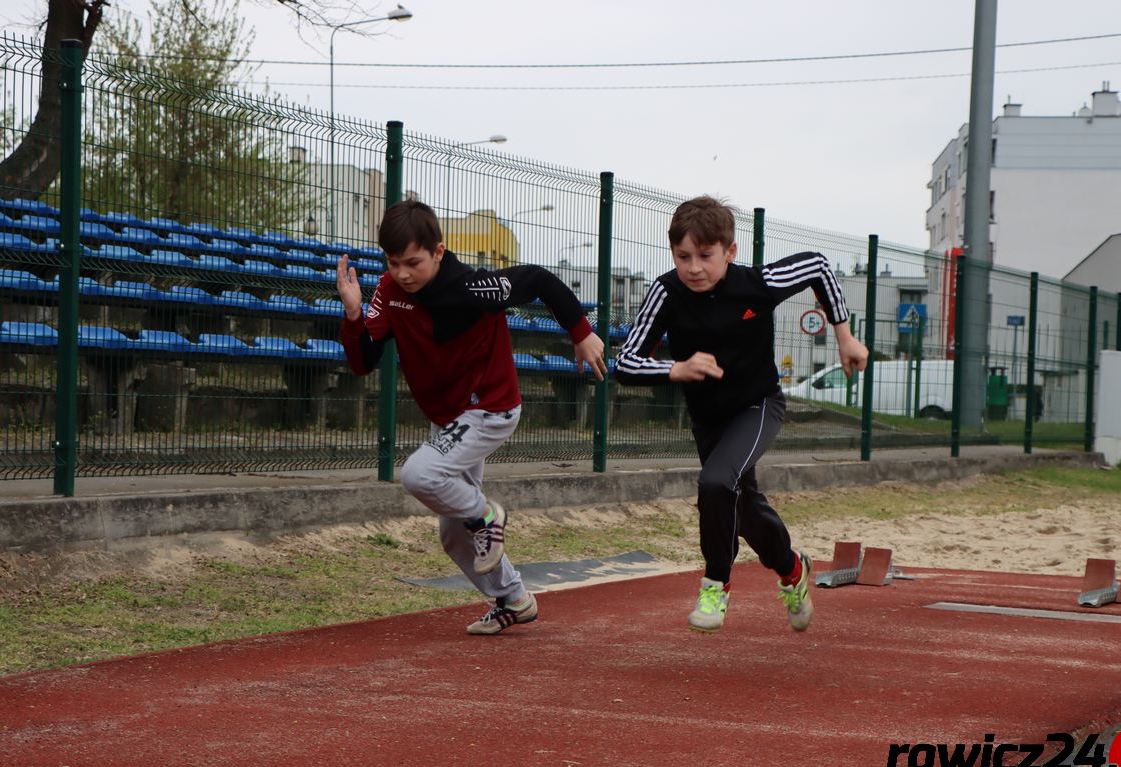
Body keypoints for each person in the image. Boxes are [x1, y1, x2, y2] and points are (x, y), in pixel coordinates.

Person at [338, 199, 606, 635]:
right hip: (449, 419)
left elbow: (538, 279)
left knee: (419, 475)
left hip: (489, 407)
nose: (403, 273)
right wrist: (353, 315)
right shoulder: (388, 291)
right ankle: (514, 599)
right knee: (452, 535)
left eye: (414, 262)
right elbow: (362, 362)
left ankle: (487, 517)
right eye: (393, 262)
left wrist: (581, 332)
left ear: (438, 252)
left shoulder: (474, 287)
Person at [614, 196, 868, 634]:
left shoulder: (758, 284)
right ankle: (792, 570)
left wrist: (844, 336)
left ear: (730, 252)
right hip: (709, 418)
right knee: (744, 510)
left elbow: (819, 266)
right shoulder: (666, 293)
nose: (694, 268)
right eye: (683, 257)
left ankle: (715, 584)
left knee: (715, 482)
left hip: (758, 405)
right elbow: (626, 362)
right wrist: (676, 368)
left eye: (706, 256)